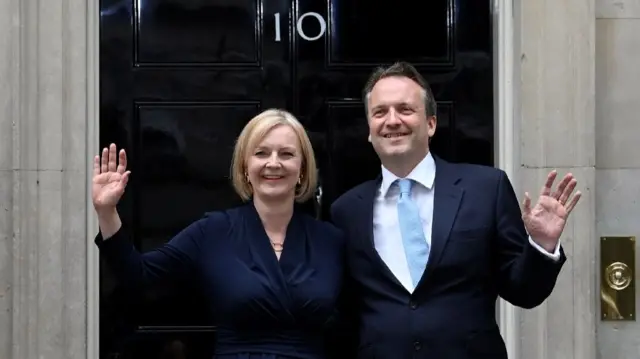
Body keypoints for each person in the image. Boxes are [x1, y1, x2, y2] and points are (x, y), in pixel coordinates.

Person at [329, 62, 582, 359]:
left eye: (405, 109)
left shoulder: (486, 188)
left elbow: (524, 292)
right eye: (380, 112)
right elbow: (344, 315)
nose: (392, 120)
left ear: (432, 123)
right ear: (370, 130)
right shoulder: (345, 211)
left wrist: (541, 245)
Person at [92, 109, 345, 359]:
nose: (273, 162)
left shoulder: (331, 240)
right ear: (246, 167)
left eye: (287, 154)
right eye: (261, 153)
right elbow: (139, 276)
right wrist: (106, 211)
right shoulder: (213, 232)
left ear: (302, 169)